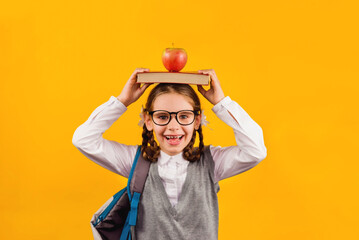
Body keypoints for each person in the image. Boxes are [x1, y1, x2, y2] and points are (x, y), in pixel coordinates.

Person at [72, 68, 267, 240]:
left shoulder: (212, 163)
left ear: (197, 120)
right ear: (148, 121)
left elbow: (255, 151)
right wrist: (122, 101)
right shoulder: (135, 161)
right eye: (162, 117)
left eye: (184, 116)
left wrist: (222, 103)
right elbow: (83, 139)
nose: (173, 127)